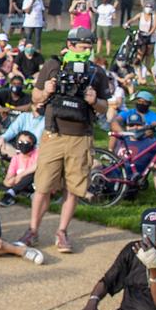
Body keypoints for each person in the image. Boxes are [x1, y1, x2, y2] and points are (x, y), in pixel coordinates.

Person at [19, 27, 112, 253]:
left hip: (81, 137)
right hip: (54, 133)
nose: (87, 52)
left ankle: (62, 232)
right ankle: (32, 229)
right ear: (70, 45)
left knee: (74, 187)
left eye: (90, 48)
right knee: (42, 186)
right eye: (83, 47)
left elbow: (105, 107)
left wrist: (94, 101)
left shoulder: (97, 72)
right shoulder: (52, 66)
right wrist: (47, 91)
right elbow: (35, 97)